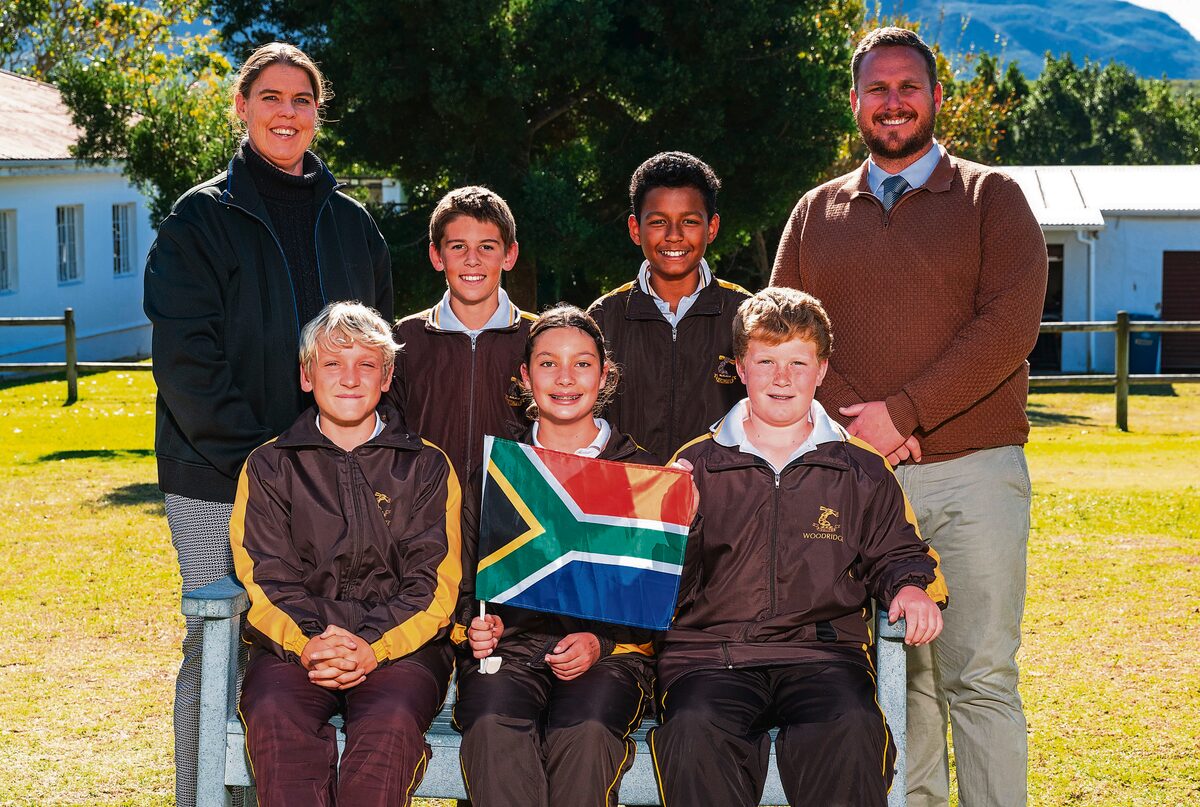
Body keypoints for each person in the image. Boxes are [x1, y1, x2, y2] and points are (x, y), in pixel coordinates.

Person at [769, 26, 1047, 807]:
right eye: (878, 89)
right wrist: (861, 427)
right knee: (900, 680)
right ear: (854, 102)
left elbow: (1008, 327)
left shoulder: (992, 198)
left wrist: (905, 410)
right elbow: (782, 330)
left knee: (979, 675)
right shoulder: (816, 211)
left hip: (972, 475)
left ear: (934, 98)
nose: (894, 102)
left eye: (908, 87)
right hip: (856, 482)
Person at [143, 42, 393, 807]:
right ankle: (201, 798)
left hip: (337, 474)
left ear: (318, 114)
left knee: (304, 645)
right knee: (217, 641)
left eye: (302, 100)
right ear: (242, 107)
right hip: (216, 475)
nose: (287, 112)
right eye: (272, 98)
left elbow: (380, 355)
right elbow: (187, 364)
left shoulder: (353, 226)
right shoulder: (199, 218)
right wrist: (272, 461)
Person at [649, 287, 947, 807]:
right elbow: (661, 584)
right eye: (765, 361)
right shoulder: (696, 463)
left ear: (822, 369)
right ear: (741, 368)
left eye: (797, 362)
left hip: (822, 654)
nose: (781, 378)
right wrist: (685, 523)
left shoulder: (860, 466)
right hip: (711, 655)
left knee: (852, 728)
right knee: (695, 730)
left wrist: (911, 588)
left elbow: (898, 548)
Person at [230, 301, 460, 806]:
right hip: (295, 648)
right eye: (333, 363)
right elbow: (265, 577)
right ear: (306, 376)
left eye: (366, 364)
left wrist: (372, 648)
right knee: (273, 712)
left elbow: (433, 585)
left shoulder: (426, 466)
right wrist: (311, 643)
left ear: (387, 376)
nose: (350, 378)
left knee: (390, 724)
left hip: (401, 648)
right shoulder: (270, 466)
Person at [454, 305, 658, 807]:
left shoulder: (643, 476)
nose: (565, 378)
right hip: (511, 653)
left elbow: (657, 602)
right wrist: (479, 627)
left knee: (584, 731)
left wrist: (602, 643)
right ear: (526, 376)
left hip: (609, 657)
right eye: (548, 363)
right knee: (492, 724)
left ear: (605, 373)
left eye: (582, 363)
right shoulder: (498, 471)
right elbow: (461, 586)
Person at [588, 151, 750, 461]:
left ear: (712, 227)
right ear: (636, 229)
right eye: (659, 222)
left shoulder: (746, 315)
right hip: (625, 497)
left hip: (721, 499)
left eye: (689, 221)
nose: (674, 236)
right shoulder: (602, 318)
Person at [386, 185, 533, 500]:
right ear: (436, 256)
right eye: (457, 247)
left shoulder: (538, 337)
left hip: (516, 518)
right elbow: (387, 434)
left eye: (487, 247)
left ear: (510, 255)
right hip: (426, 517)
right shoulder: (405, 339)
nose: (472, 260)